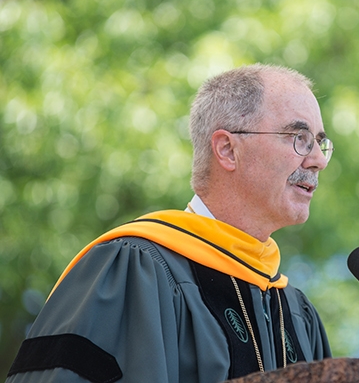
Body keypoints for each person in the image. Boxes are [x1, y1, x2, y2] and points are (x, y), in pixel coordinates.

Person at [6, 64, 333, 383]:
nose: (318, 159)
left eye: (320, 142)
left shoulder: (295, 313)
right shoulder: (132, 272)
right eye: (299, 137)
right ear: (227, 149)